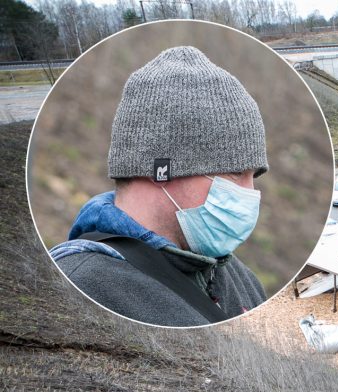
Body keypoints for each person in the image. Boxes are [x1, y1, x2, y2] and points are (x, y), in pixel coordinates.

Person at [50, 46, 269, 327]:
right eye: (235, 173)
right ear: (159, 170)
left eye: (255, 175)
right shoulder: (77, 289)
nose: (249, 194)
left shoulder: (240, 278)